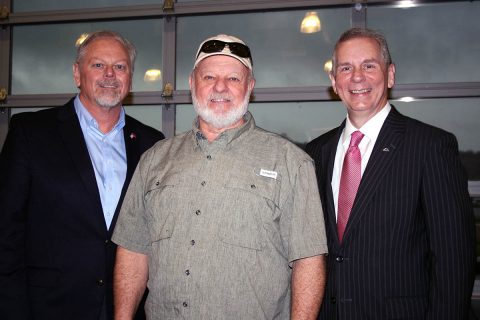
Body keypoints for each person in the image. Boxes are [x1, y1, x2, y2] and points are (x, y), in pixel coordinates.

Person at [112, 34, 328, 320]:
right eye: (209, 76)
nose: (220, 87)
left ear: (250, 87)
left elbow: (309, 261)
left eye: (234, 79)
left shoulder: (292, 163)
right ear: (192, 83)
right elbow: (133, 250)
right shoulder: (154, 160)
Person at [305, 27, 476, 319]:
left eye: (369, 65)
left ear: (391, 74)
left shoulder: (431, 147)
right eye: (346, 68)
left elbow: (453, 261)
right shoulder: (315, 153)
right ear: (334, 81)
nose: (357, 77)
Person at [0, 30, 164, 320]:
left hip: (125, 309)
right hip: (48, 308)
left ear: (130, 76)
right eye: (98, 65)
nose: (110, 75)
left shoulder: (152, 143)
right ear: (77, 73)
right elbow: (6, 231)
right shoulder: (30, 132)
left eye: (120, 66)